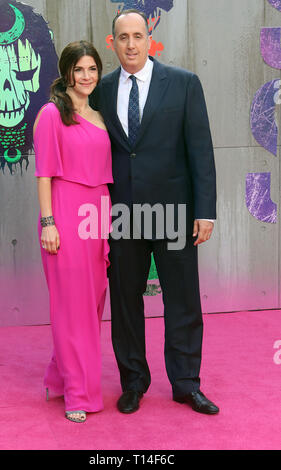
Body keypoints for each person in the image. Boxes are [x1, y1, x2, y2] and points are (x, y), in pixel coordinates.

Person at [90, 9, 219, 415]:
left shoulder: (183, 84)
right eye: (122, 37)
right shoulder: (101, 90)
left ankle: (185, 383)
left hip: (175, 215)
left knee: (183, 301)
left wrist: (206, 211)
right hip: (122, 216)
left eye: (138, 36)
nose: (131, 44)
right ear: (113, 43)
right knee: (126, 303)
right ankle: (133, 383)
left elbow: (201, 151)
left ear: (150, 38)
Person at [33, 41, 113, 423]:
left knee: (92, 305)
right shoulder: (52, 114)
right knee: (71, 309)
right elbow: (44, 174)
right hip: (64, 215)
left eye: (92, 69)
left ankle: (58, 377)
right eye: (79, 69)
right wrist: (48, 223)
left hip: (97, 217)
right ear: (66, 72)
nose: (87, 76)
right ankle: (78, 395)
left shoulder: (99, 115)